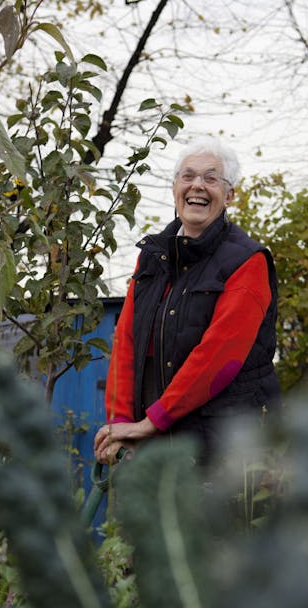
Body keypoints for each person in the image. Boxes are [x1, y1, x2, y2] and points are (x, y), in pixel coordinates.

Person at [93, 135, 280, 466]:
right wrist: (120, 423)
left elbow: (218, 358)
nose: (198, 186)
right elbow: (127, 343)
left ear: (229, 195)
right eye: (188, 176)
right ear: (175, 187)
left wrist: (151, 423)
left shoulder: (248, 262)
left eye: (211, 178)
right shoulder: (152, 257)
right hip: (153, 441)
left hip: (224, 450)